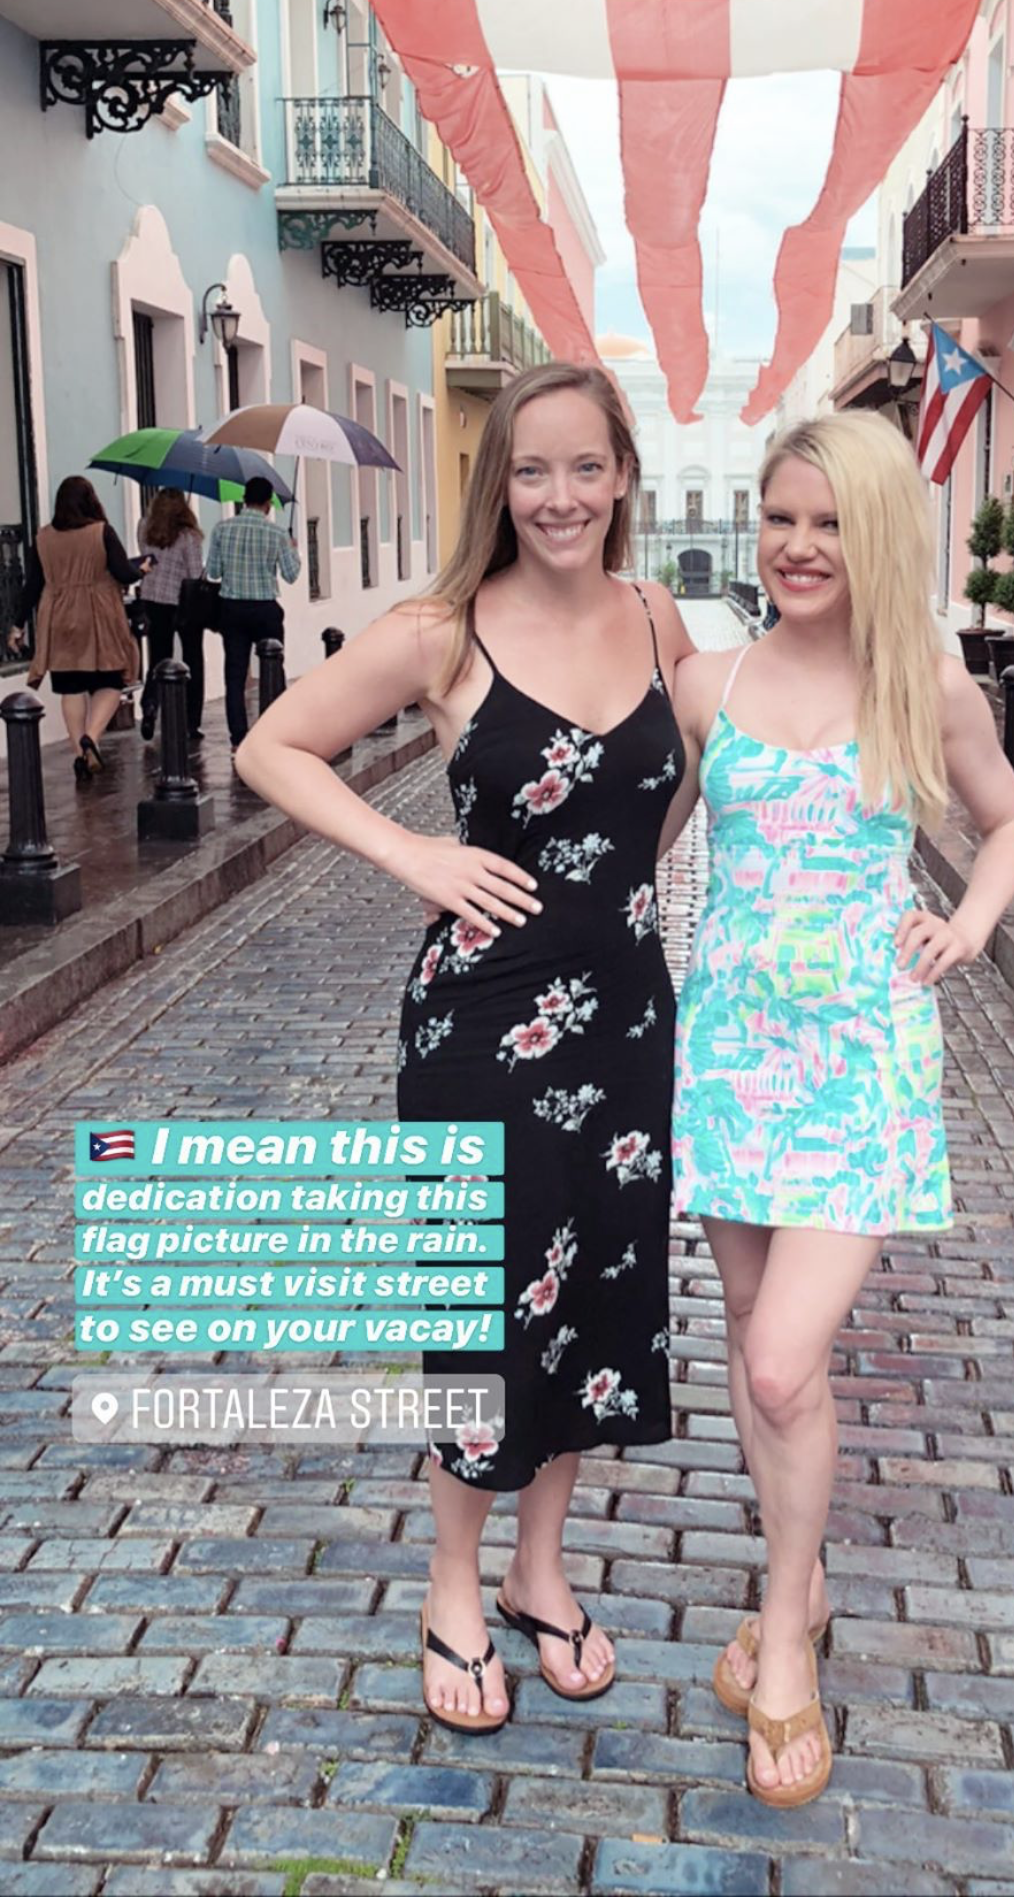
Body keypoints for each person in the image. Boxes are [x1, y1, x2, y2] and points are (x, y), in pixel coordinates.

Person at [234, 361, 694, 1734]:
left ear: (621, 477)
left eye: (585, 468)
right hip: (480, 1025)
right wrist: (413, 855)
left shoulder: (656, 617)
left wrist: (615, 901)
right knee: (488, 1305)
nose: (559, 496)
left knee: (597, 1307)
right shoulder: (440, 630)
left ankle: (540, 1574)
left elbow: (660, 808)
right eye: (532, 470)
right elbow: (274, 748)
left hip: (623, 1019)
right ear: (500, 483)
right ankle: (451, 1585)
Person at [665, 412, 1014, 1809]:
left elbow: (1008, 823)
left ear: (873, 532)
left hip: (861, 1067)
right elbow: (641, 851)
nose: (797, 545)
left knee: (775, 1364)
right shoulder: (709, 683)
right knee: (765, 1358)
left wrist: (972, 928)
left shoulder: (927, 685)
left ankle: (783, 1646)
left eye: (826, 522)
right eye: (778, 517)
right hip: (728, 1053)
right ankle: (798, 1582)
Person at [7, 475, 150, 780]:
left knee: (70, 686)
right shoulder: (101, 532)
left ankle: (79, 753)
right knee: (111, 681)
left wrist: (17, 625)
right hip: (98, 616)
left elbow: (32, 586)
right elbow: (124, 573)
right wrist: (143, 569)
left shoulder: (43, 538)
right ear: (90, 500)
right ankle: (92, 737)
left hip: (58, 617)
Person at [204, 478, 300, 752]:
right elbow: (291, 575)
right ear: (268, 504)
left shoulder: (222, 529)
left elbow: (213, 571)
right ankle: (275, 731)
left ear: (244, 499)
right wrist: (292, 549)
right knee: (273, 669)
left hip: (231, 609)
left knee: (234, 675)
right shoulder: (277, 534)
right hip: (265, 608)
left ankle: (238, 740)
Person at [136, 489, 206, 743]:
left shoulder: (144, 528)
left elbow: (146, 560)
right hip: (183, 603)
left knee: (158, 657)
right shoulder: (189, 537)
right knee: (193, 659)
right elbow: (195, 574)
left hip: (153, 600)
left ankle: (151, 703)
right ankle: (191, 721)